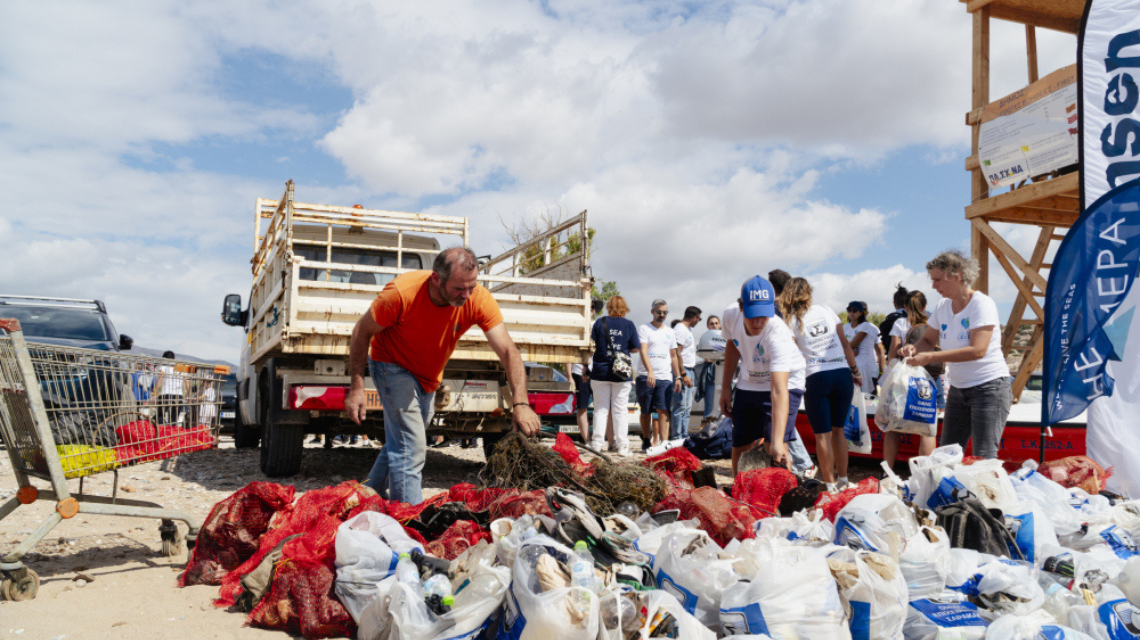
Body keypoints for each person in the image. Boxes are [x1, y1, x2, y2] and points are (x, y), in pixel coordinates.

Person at [345, 246, 542, 504]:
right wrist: (357, 386)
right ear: (436, 279)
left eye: (472, 286)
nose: (467, 295)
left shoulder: (477, 298)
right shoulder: (402, 293)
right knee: (411, 446)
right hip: (391, 365)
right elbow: (361, 331)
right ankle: (409, 518)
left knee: (404, 439)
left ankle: (368, 494)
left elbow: (508, 350)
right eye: (459, 288)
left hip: (428, 376)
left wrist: (521, 403)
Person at [902, 249, 1012, 460]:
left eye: (937, 280)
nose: (933, 286)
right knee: (946, 455)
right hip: (958, 389)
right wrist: (913, 349)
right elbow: (928, 340)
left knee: (983, 457)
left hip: (989, 387)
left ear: (957, 276)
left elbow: (978, 350)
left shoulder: (981, 304)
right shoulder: (943, 306)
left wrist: (930, 357)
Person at [779, 277, 861, 490]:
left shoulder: (789, 321)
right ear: (808, 292)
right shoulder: (826, 310)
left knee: (822, 435)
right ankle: (843, 480)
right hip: (842, 373)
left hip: (816, 376)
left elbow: (791, 355)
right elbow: (845, 344)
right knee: (839, 430)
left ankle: (831, 486)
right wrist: (855, 371)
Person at [720, 276, 807, 476]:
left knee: (774, 446)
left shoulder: (778, 334)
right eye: (752, 315)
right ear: (741, 307)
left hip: (786, 382)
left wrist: (777, 441)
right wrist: (725, 388)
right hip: (749, 380)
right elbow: (732, 345)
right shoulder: (730, 315)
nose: (758, 322)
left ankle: (782, 491)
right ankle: (740, 488)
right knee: (740, 444)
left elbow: (779, 390)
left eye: (763, 315)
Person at [768, 269, 818, 478]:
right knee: (784, 421)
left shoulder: (776, 309)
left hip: (784, 371)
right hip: (797, 370)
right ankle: (800, 464)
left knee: (783, 422)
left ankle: (801, 465)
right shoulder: (796, 309)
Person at [883, 290, 940, 466]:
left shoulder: (900, 323)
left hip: (906, 381)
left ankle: (887, 471)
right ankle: (925, 472)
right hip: (931, 378)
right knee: (927, 428)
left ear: (905, 306)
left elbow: (893, 353)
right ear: (925, 305)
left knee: (893, 427)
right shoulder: (933, 322)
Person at [588, 296, 640, 456]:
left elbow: (592, 344)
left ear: (609, 307)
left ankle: (597, 445)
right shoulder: (629, 324)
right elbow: (635, 348)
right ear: (625, 308)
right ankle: (623, 446)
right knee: (620, 411)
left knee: (600, 410)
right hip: (621, 373)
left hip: (600, 371)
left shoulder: (600, 322)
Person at [634, 299, 682, 449]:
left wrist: (678, 376)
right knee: (646, 411)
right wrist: (650, 371)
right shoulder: (644, 328)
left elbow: (673, 356)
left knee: (663, 410)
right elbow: (643, 351)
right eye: (659, 312)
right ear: (652, 312)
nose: (662, 315)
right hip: (645, 376)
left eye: (665, 312)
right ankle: (646, 439)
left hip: (665, 377)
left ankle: (664, 443)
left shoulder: (670, 332)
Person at [670, 306, 701, 440]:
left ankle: (684, 436)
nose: (698, 322)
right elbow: (677, 353)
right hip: (684, 370)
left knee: (687, 407)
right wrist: (682, 374)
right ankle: (677, 436)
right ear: (694, 318)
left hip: (690, 369)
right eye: (699, 319)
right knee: (680, 406)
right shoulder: (680, 329)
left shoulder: (687, 330)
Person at [844, 302, 884, 396]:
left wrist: (881, 371)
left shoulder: (866, 326)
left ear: (861, 313)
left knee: (865, 399)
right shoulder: (844, 327)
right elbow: (839, 346)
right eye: (849, 310)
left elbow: (851, 346)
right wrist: (849, 352)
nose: (851, 313)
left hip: (863, 369)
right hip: (848, 367)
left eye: (855, 310)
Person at [155, 351, 187, 426]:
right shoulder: (181, 367)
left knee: (160, 416)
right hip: (178, 395)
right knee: (174, 419)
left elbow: (160, 378)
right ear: (174, 358)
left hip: (165, 394)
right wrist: (188, 394)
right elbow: (187, 381)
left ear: (164, 358)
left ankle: (160, 430)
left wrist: (155, 392)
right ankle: (172, 431)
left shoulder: (164, 365)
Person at [698, 315, 721, 420]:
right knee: (710, 405)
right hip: (711, 374)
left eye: (716, 323)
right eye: (712, 323)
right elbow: (706, 357)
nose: (714, 325)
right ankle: (707, 429)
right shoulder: (705, 338)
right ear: (708, 326)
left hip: (723, 372)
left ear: (719, 324)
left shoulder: (724, 337)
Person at [570, 360, 592, 444]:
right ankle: (587, 440)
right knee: (582, 408)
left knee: (602, 408)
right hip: (579, 372)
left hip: (598, 373)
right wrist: (569, 377)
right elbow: (568, 357)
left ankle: (599, 440)